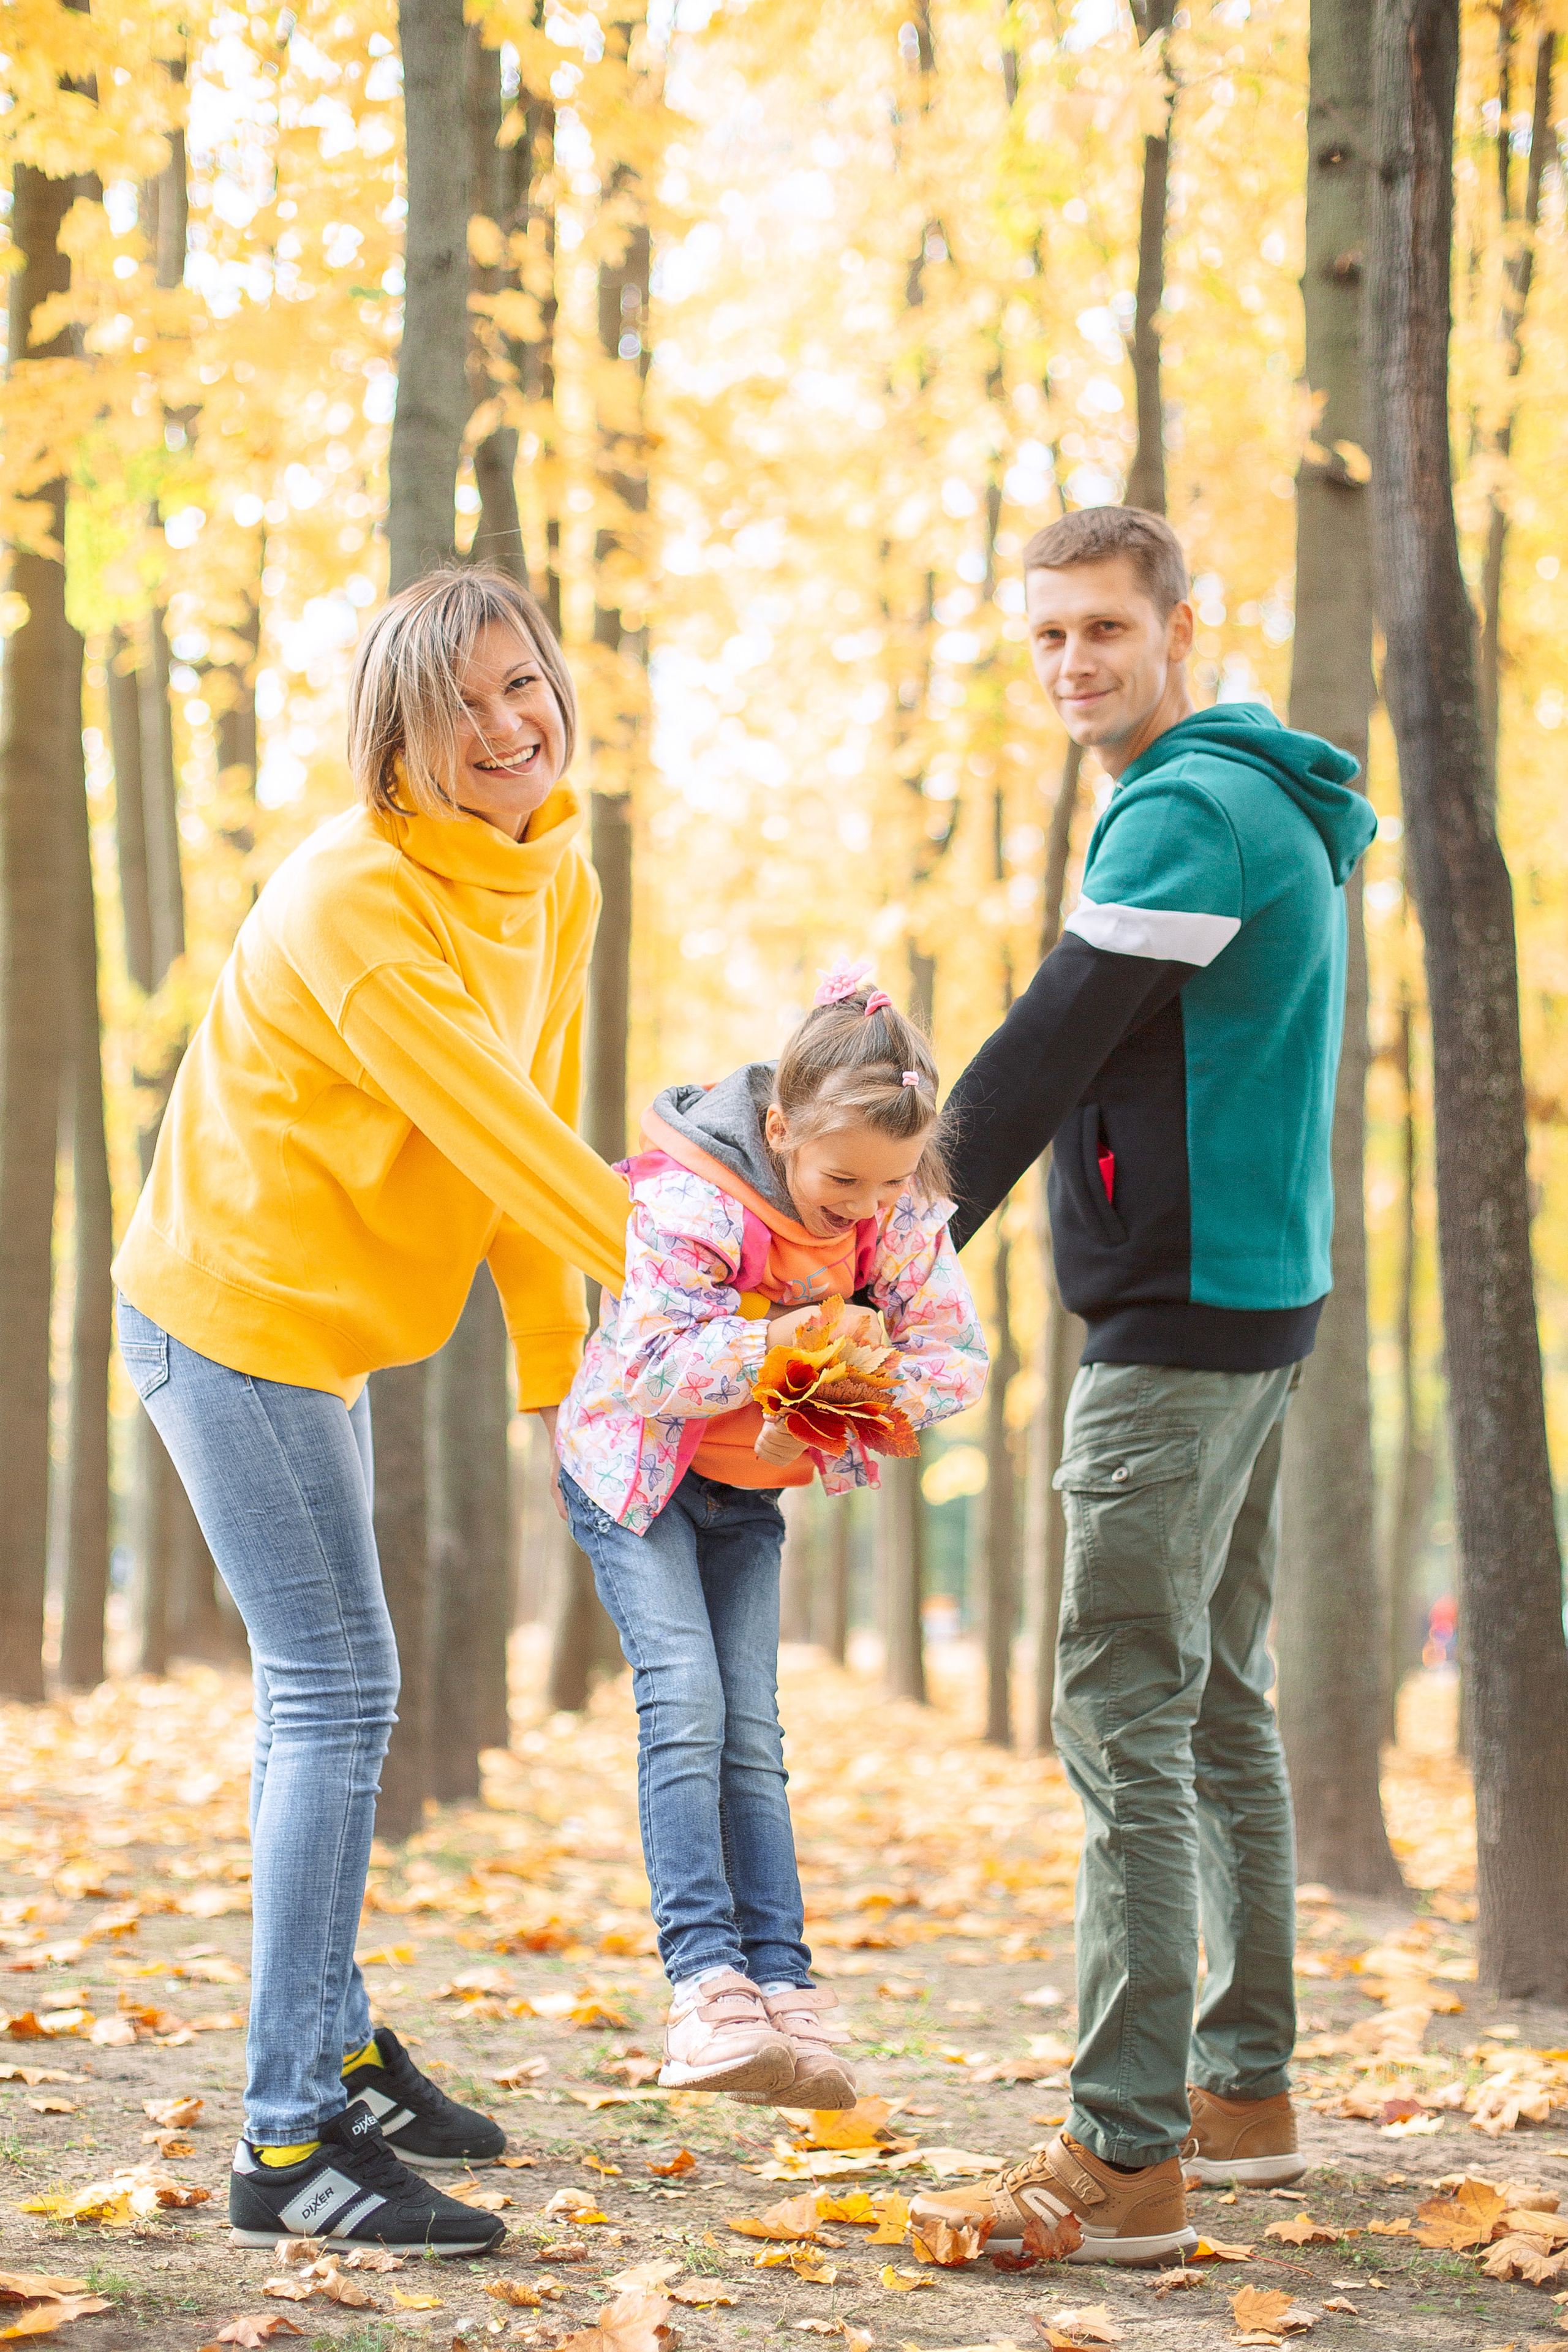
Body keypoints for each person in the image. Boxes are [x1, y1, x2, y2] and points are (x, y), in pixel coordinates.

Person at [113, 568, 632, 2254]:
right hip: (226, 1308)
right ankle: (286, 2142)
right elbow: (500, 1129)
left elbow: (537, 1126)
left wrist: (564, 1383)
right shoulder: (351, 897)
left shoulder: (557, 877)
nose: (501, 729)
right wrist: (736, 1273)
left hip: (322, 1328)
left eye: (517, 687)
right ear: (392, 748)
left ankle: (333, 2043)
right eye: (454, 712)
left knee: (335, 1689)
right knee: (339, 1689)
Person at [911, 507, 1376, 2266]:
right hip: (1260, 1297)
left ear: (1182, 625)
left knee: (1122, 1711)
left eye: (1103, 628)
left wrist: (882, 1243)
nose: (1071, 665)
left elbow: (1047, 1046)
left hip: (1182, 1325)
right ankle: (1240, 2091)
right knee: (1216, 1700)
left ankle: (1125, 2155)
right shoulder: (1260, 793)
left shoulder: (1187, 804)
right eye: (1045, 637)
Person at [555, 971, 987, 2103]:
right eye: (845, 1179)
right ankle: (703, 1988)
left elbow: (959, 1359)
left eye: (893, 1181)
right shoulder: (693, 1199)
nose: (866, 1204)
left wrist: (872, 1367)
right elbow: (652, 1364)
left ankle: (784, 1990)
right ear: (782, 1128)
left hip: (746, 1493)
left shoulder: (893, 1214)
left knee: (753, 1728)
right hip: (634, 1481)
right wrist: (795, 1341)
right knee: (687, 1701)